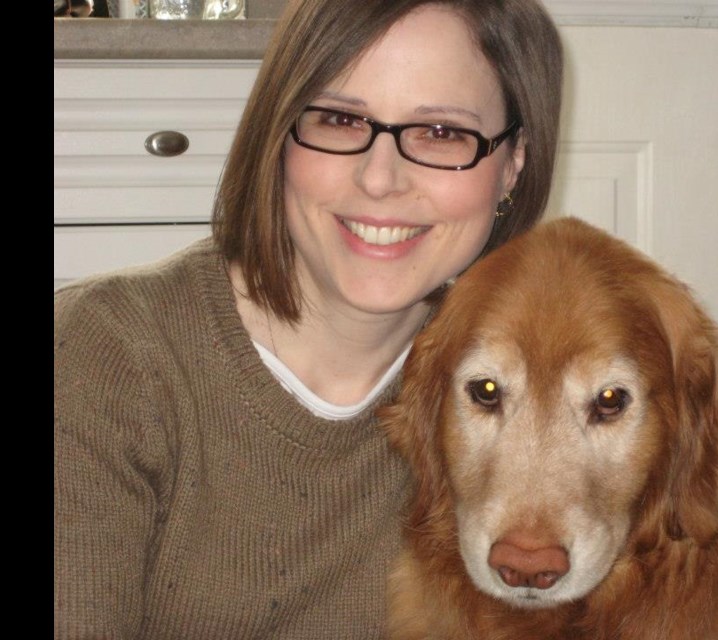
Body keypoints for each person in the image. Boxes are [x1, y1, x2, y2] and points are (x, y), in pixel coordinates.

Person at [53, 0, 563, 637]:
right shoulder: (102, 356)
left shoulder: (514, 397)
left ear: (513, 162)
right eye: (340, 118)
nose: (380, 179)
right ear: (279, 131)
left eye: (440, 133)